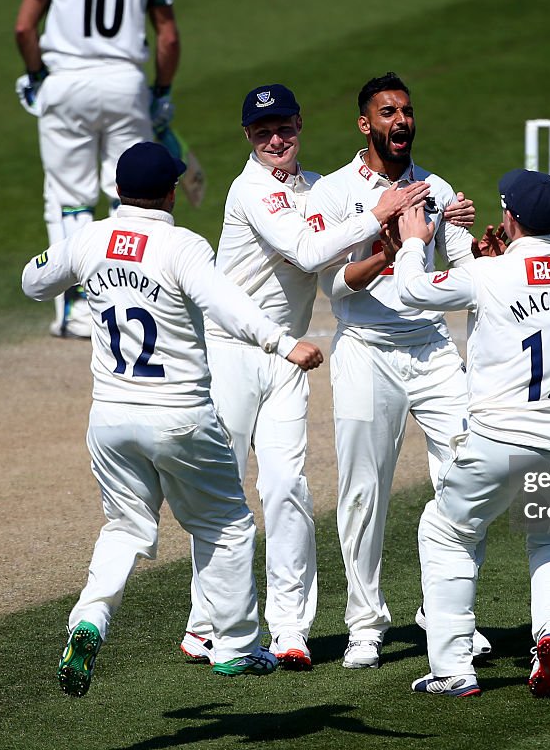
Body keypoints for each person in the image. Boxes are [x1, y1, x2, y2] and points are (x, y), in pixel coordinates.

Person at [21, 141, 324, 696]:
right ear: (168, 193)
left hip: (110, 419)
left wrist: (79, 271)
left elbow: (32, 282)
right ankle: (235, 647)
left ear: (117, 191)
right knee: (227, 526)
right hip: (180, 414)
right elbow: (225, 303)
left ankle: (90, 618)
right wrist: (283, 342)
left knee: (126, 527)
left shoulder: (90, 237)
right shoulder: (182, 244)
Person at [178, 83, 432, 671]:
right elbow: (304, 247)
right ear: (248, 136)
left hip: (289, 358)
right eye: (263, 131)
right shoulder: (250, 189)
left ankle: (289, 629)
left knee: (287, 488)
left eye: (285, 127)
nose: (276, 139)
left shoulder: (318, 188)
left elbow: (335, 274)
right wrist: (377, 212)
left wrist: (404, 235)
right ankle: (204, 623)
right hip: (232, 353)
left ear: (299, 125)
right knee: (223, 492)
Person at [393, 170, 550, 698]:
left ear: (509, 217)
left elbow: (411, 290)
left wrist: (415, 242)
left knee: (446, 532)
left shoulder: (490, 275)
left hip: (499, 437)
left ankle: (453, 667)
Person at [305, 72, 491, 669]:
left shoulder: (434, 187)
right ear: (366, 124)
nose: (401, 121)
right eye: (388, 113)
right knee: (364, 492)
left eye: (406, 112)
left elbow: (463, 267)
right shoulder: (333, 192)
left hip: (432, 349)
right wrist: (391, 246)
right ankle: (365, 622)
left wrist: (483, 252)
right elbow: (332, 284)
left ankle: (446, 611)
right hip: (365, 347)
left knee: (467, 475)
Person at [15, 0, 180, 338]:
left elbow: (24, 27)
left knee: (69, 197)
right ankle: (136, 299)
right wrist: (162, 92)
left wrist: (36, 77)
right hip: (126, 86)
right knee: (133, 193)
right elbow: (167, 37)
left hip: (66, 84)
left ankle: (78, 310)